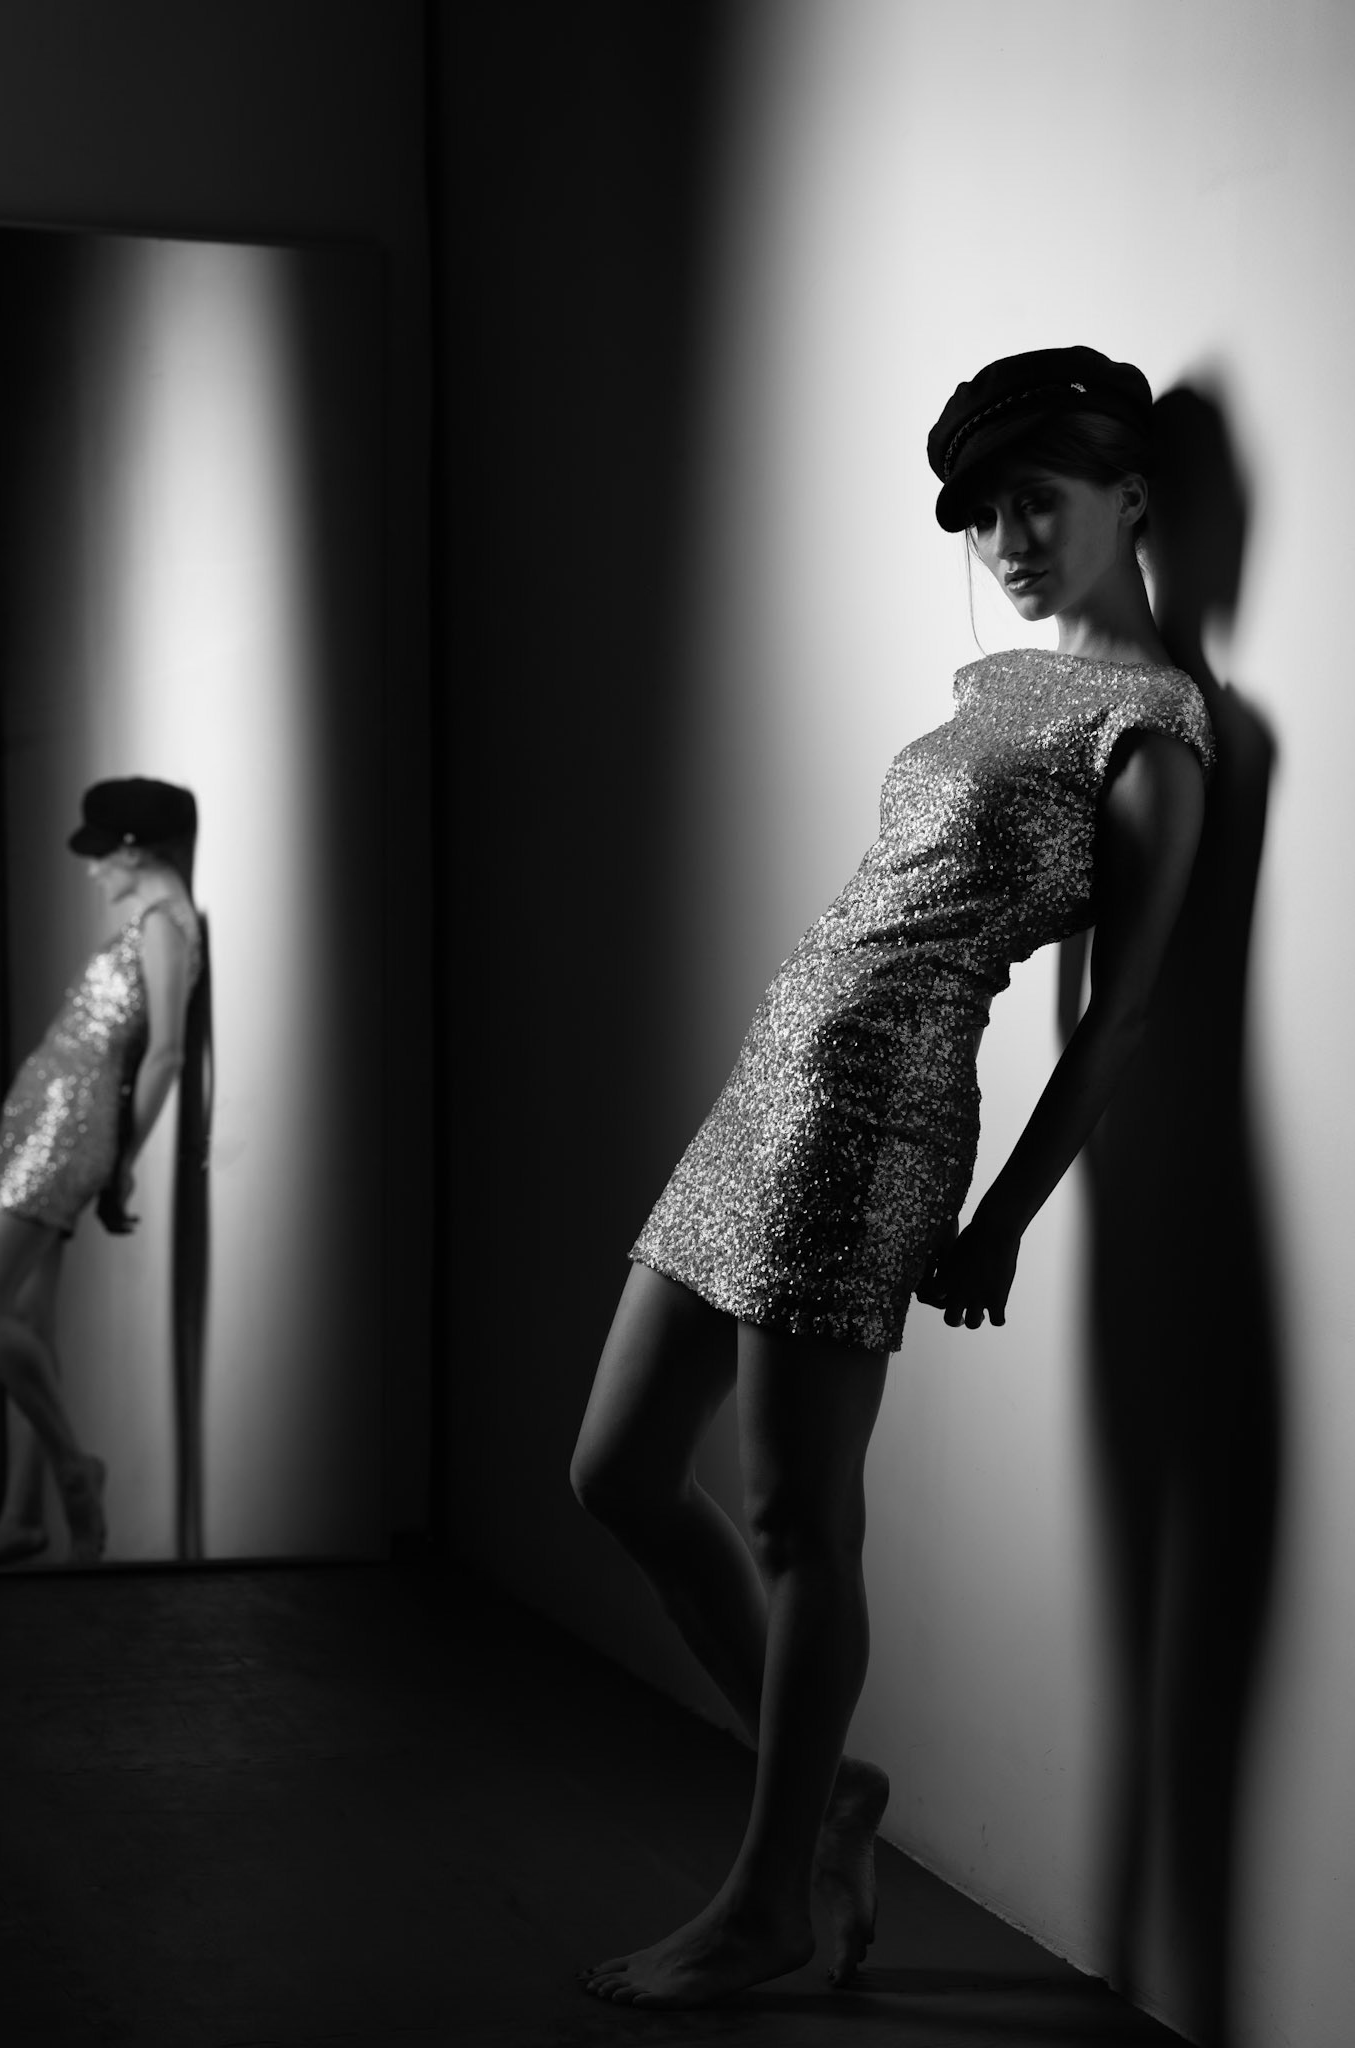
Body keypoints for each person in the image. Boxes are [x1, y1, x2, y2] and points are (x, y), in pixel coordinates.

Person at [571, 346, 1214, 2007]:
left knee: (796, 1517)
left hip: (872, 1122)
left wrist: (1000, 1216)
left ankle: (767, 1897)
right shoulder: (994, 687)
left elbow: (1122, 1014)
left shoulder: (1155, 732)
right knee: (614, 1471)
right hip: (762, 1090)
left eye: (1035, 501)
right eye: (983, 514)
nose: (1006, 540)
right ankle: (832, 1793)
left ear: (1129, 496)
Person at [0, 778, 205, 1569]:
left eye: (102, 855)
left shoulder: (164, 925)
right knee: (29, 1326)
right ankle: (22, 1516)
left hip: (65, 1135)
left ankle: (73, 1471)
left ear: (135, 850)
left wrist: (121, 1162)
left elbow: (165, 1054)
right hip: (43, 1122)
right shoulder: (152, 920)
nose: (93, 871)